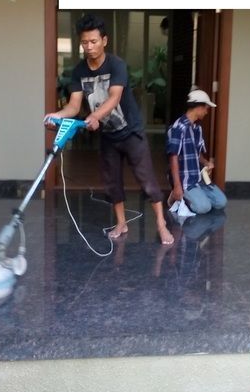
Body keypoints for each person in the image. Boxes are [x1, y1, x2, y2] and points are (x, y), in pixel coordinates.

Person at [44, 14, 174, 245]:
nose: (89, 47)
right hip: (108, 135)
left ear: (104, 40)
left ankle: (161, 224)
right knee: (112, 182)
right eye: (84, 42)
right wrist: (57, 115)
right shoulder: (79, 71)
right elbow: (74, 106)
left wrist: (95, 116)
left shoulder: (116, 65)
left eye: (93, 41)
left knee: (146, 180)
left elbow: (114, 97)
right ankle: (121, 223)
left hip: (131, 131)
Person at [167, 89, 227, 214]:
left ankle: (196, 196)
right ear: (199, 107)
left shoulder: (197, 129)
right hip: (185, 181)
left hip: (198, 179)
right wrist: (177, 186)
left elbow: (197, 153)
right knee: (204, 208)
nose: (206, 112)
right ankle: (176, 196)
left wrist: (206, 163)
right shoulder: (178, 128)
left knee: (221, 202)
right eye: (205, 108)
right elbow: (173, 158)